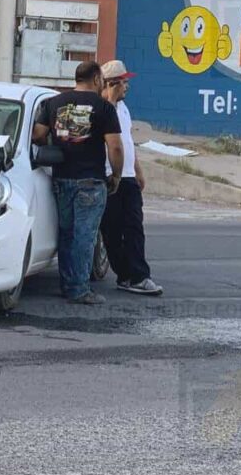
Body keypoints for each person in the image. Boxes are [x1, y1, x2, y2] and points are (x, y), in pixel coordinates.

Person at [32, 61, 124, 305]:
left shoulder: (52, 104)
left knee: (66, 234)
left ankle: (67, 284)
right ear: (96, 79)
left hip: (62, 178)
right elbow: (114, 146)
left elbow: (38, 135)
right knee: (85, 235)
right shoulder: (104, 107)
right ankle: (80, 289)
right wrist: (116, 175)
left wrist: (53, 146)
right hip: (90, 181)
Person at [99, 60, 164, 296]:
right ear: (112, 84)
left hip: (127, 178)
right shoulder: (103, 108)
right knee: (112, 230)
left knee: (134, 227)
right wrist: (112, 99)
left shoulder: (124, 109)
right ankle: (125, 275)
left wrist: (138, 171)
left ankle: (139, 275)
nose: (127, 86)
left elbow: (127, 142)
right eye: (123, 82)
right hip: (110, 176)